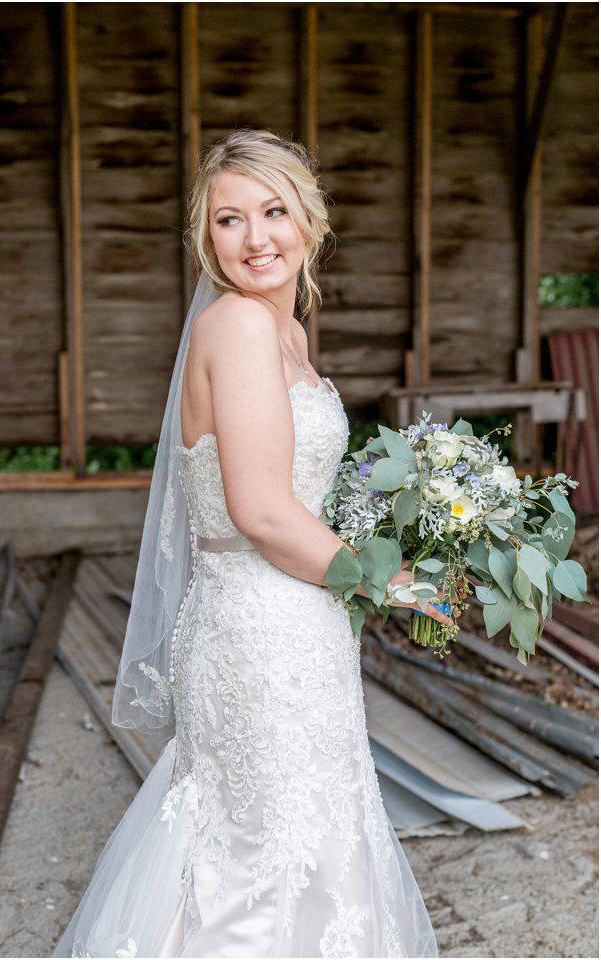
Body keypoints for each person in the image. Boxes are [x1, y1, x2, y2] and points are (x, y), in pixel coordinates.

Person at [55, 129, 447, 958]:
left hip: (297, 625)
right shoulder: (235, 325)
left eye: (274, 211)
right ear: (207, 238)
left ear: (311, 220)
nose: (257, 237)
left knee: (298, 833)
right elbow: (263, 511)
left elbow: (297, 494)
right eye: (230, 220)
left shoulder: (288, 336)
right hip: (258, 633)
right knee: (258, 854)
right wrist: (390, 582)